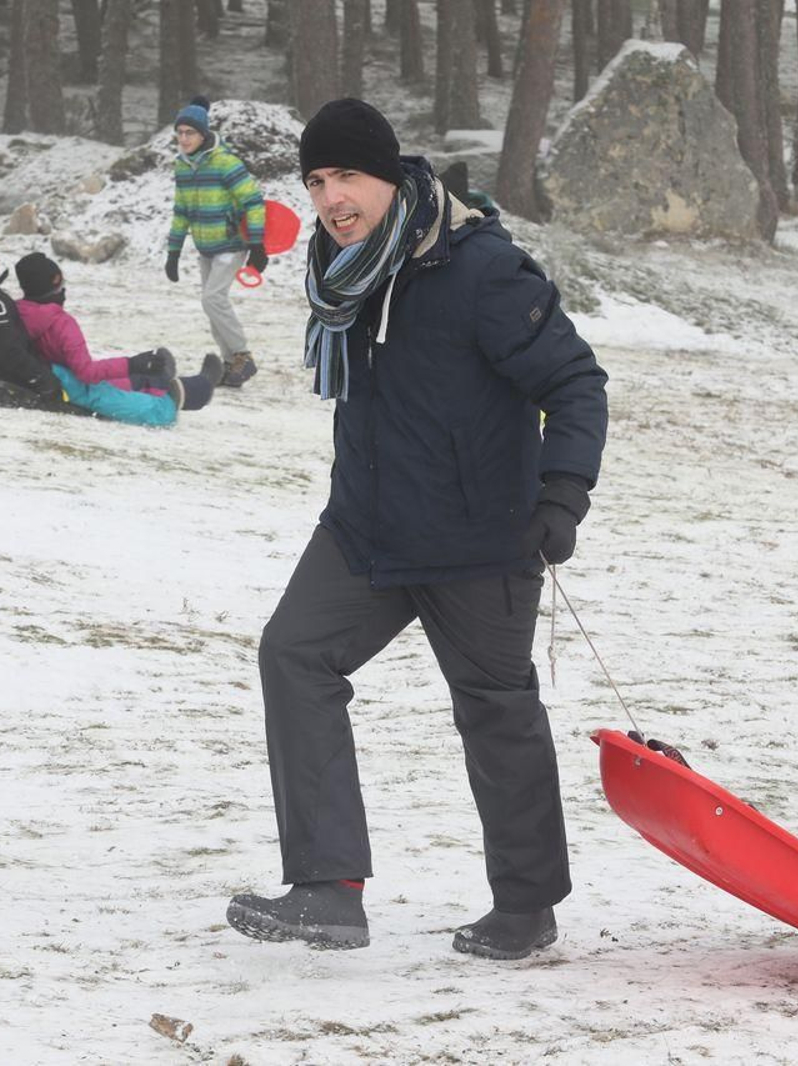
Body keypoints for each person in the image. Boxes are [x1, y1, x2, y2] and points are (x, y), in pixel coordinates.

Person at [226, 99, 609, 960]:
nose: (330, 199)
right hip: (367, 529)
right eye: (317, 182)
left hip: (480, 536)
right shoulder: (341, 273)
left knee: (495, 712)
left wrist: (562, 495)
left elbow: (576, 383)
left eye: (346, 178)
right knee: (294, 654)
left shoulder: (480, 269)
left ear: (391, 177)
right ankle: (328, 889)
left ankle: (524, 907)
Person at [14, 251, 218, 426]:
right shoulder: (62, 324)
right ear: (56, 282)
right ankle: (200, 387)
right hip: (72, 384)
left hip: (54, 374)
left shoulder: (17, 312)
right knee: (151, 404)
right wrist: (131, 364)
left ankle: (153, 379)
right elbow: (85, 372)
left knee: (129, 380)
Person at [163, 96, 265, 389]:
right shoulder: (182, 166)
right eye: (180, 133)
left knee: (212, 299)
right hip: (205, 247)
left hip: (231, 244)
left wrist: (257, 245)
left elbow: (253, 202)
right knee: (210, 304)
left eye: (189, 133)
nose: (183, 139)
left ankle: (243, 355)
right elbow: (181, 210)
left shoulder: (225, 163)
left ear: (203, 134)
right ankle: (231, 363)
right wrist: (173, 251)